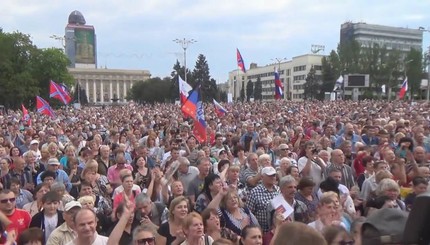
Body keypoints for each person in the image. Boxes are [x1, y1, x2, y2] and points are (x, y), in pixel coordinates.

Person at [248, 167, 280, 232]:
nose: (273, 177)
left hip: (277, 230)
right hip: (262, 231)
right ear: (262, 177)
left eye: (274, 175)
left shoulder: (279, 190)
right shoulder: (255, 192)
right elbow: (249, 214)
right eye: (269, 175)